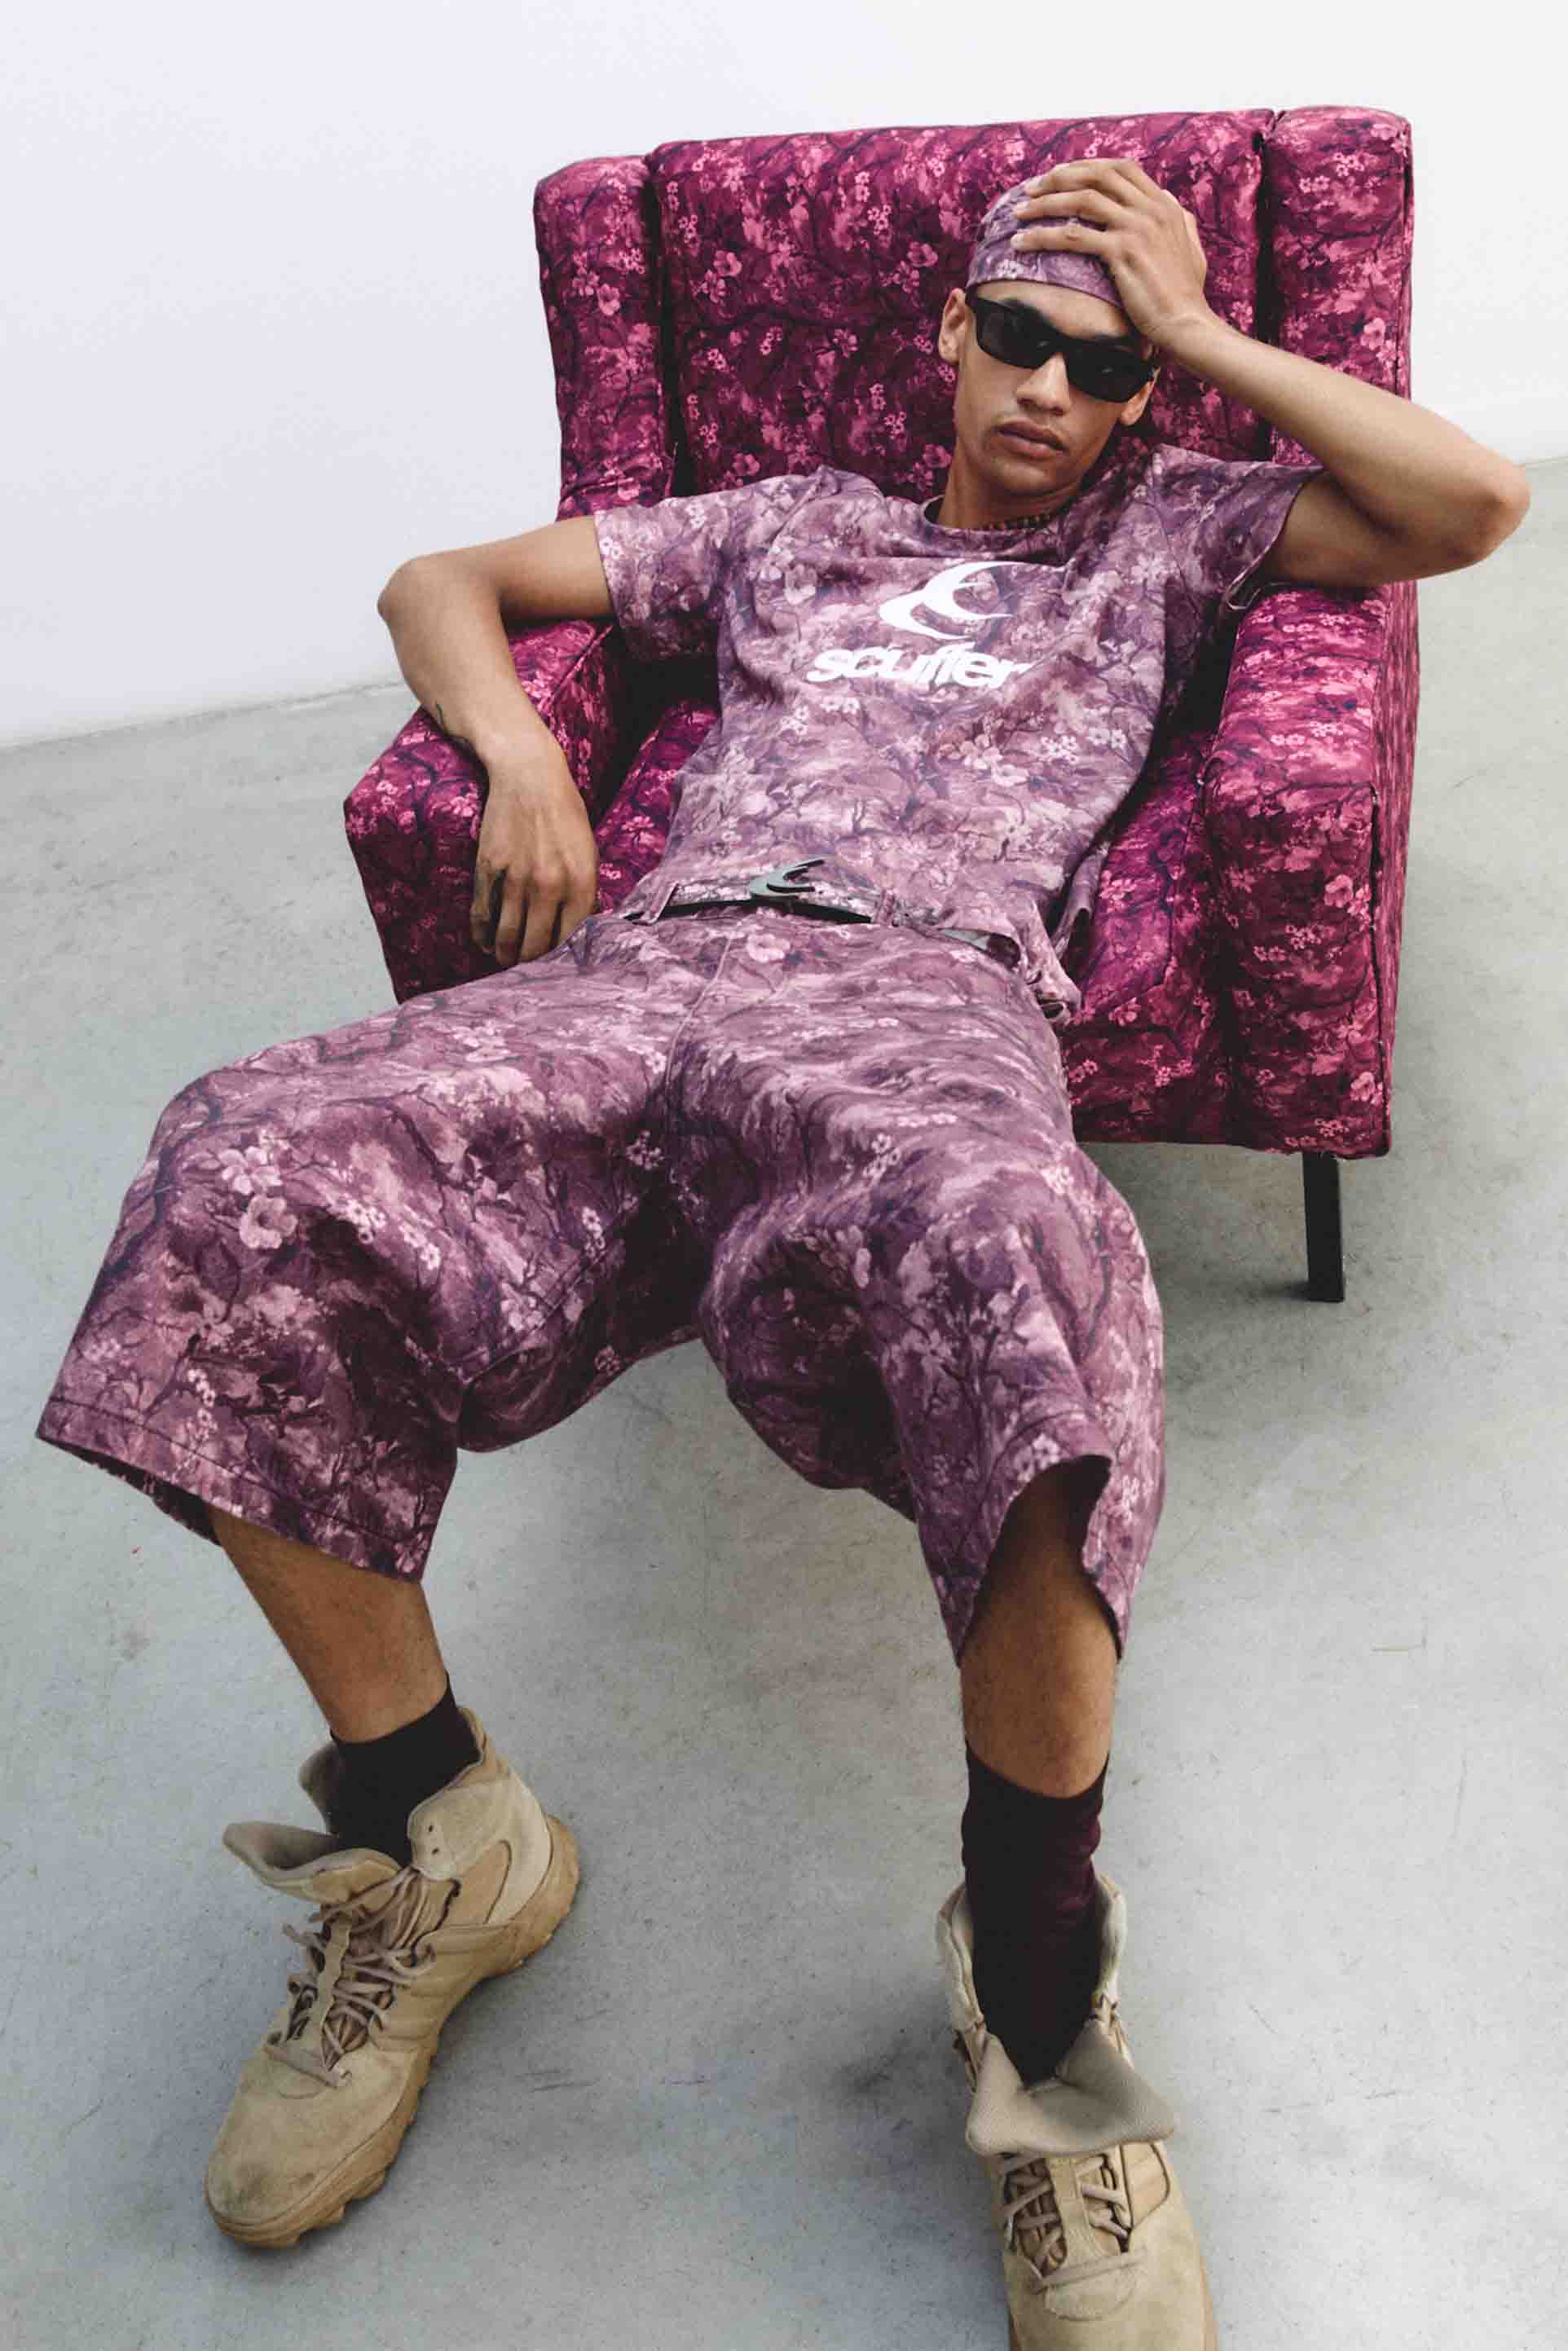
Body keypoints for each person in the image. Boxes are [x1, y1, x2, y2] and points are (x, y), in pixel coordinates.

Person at [35, 158, 1526, 2345]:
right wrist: (522, 755)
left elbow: (1473, 506)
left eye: (1101, 364)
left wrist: (1201, 343)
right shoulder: (790, 523)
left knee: (1031, 1257)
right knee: (231, 1166)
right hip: (654, 966)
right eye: (1018, 334)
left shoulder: (1172, 531)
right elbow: (441, 577)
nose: (1049, 386)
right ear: (947, 332)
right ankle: (444, 1837)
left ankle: (1041, 2011)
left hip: (927, 1002)